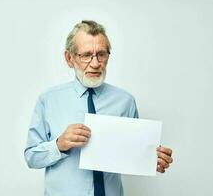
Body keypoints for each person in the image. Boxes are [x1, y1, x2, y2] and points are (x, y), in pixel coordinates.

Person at [24, 20, 173, 196]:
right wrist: (59, 144)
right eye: (86, 55)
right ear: (69, 58)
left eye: (101, 54)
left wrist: (153, 159)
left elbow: (132, 153)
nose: (95, 64)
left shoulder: (125, 101)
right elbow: (31, 157)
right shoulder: (48, 100)